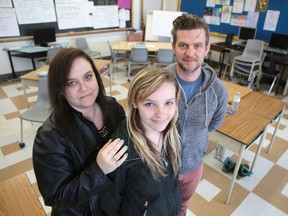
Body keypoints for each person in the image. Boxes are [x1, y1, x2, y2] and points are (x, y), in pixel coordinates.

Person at [32, 47, 128, 215]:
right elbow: (56, 196)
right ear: (60, 89)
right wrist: (99, 170)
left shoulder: (113, 108)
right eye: (71, 82)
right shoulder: (50, 137)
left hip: (117, 205)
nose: (84, 88)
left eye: (88, 77)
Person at [166, 14, 228, 216]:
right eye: (183, 45)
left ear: (207, 48)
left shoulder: (218, 90)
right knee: (157, 206)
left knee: (182, 206)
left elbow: (213, 124)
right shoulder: (158, 82)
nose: (190, 53)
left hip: (193, 166)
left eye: (197, 46)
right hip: (160, 165)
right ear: (173, 46)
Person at [100, 67, 182, 216]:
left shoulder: (174, 131)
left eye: (168, 103)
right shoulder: (121, 150)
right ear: (134, 102)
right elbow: (110, 203)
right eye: (149, 104)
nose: (161, 114)